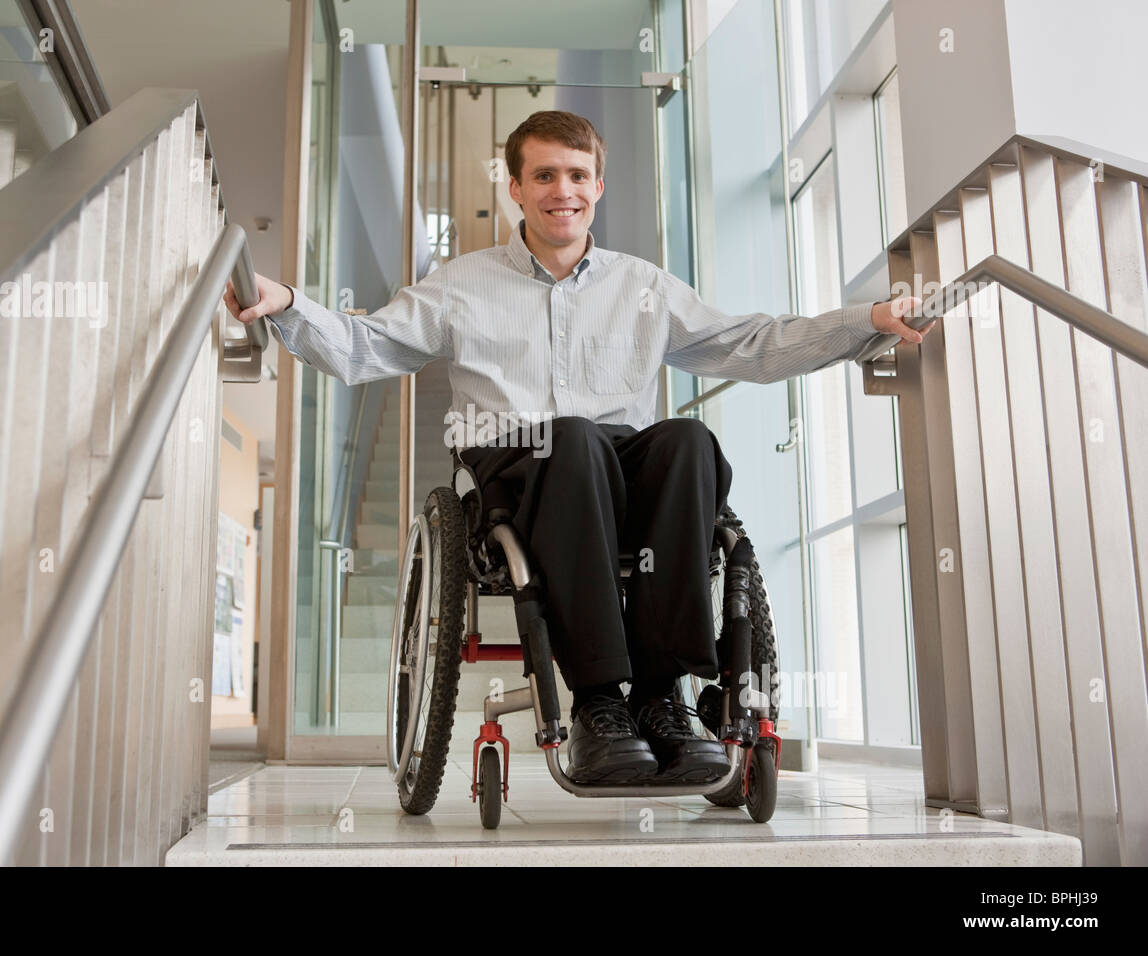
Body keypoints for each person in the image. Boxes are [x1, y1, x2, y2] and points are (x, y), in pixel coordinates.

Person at [224, 110, 930, 785]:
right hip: (515, 470)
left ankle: (659, 697)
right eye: (543, 176)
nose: (561, 190)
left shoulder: (642, 285)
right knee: (571, 436)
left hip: (615, 472)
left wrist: (866, 320)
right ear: (516, 188)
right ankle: (597, 701)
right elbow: (368, 344)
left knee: (687, 439)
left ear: (597, 186)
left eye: (576, 175)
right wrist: (288, 302)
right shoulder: (462, 284)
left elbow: (751, 343)